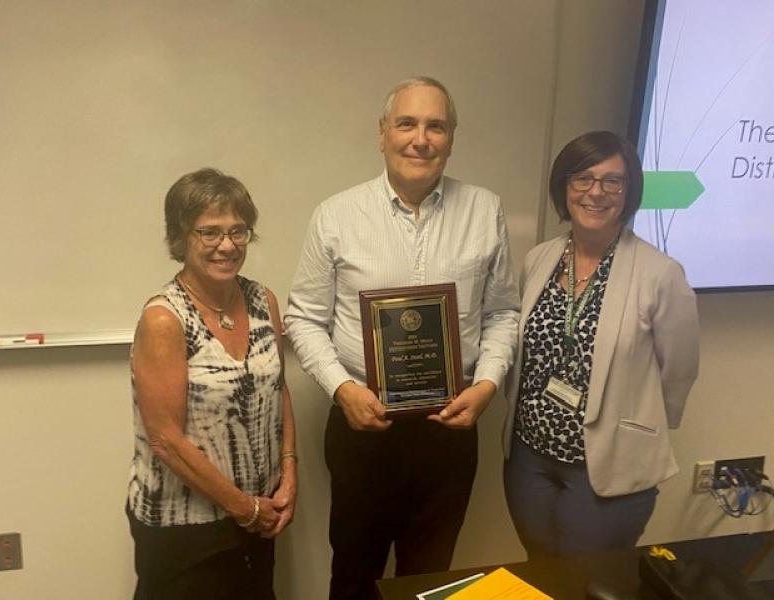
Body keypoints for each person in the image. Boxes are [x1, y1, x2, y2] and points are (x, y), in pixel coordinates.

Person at [284, 76, 520, 599]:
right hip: (363, 427)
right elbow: (303, 318)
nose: (421, 138)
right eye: (407, 123)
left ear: (452, 136)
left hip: (450, 428)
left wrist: (486, 385)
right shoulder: (336, 216)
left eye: (436, 126)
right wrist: (343, 390)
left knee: (429, 580)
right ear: (382, 133)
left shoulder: (485, 211)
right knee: (353, 575)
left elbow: (504, 312)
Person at [502, 131, 699, 558]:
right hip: (530, 457)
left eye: (613, 181)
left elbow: (678, 371)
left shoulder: (660, 274)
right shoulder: (540, 258)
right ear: (564, 187)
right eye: (583, 178)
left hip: (606, 466)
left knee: (584, 580)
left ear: (628, 193)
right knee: (541, 568)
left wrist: (636, 426)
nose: (597, 192)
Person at [126, 168, 297, 599]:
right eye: (210, 232)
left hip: (258, 516)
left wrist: (289, 473)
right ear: (181, 237)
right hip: (184, 529)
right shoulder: (165, 319)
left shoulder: (262, 300)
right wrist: (246, 508)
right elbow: (165, 441)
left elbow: (279, 390)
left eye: (238, 231)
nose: (227, 245)